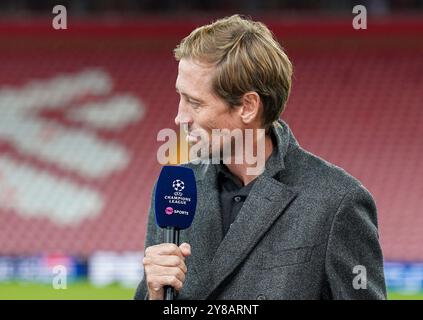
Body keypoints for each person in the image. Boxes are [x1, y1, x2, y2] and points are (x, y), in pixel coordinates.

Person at [134, 14, 386, 300]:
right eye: (180, 97)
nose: (179, 117)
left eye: (195, 102)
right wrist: (154, 295)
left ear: (248, 106)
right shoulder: (175, 189)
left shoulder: (338, 201)